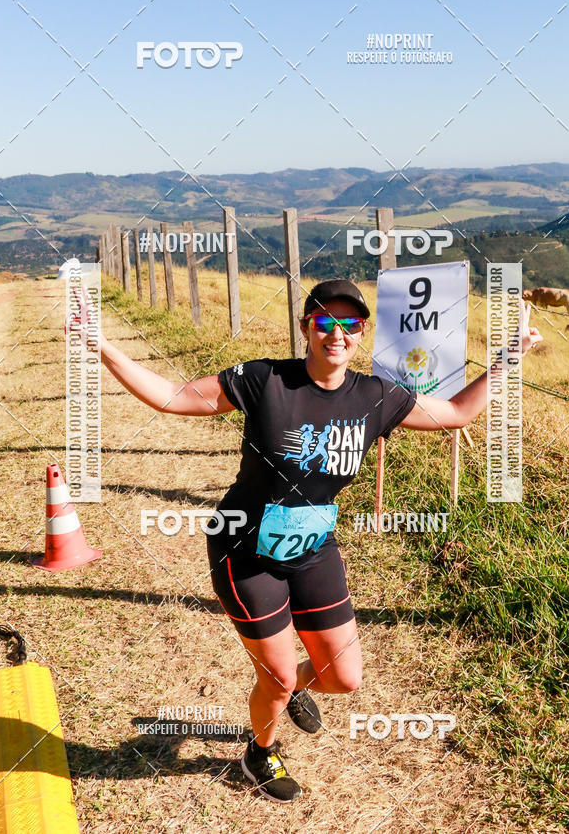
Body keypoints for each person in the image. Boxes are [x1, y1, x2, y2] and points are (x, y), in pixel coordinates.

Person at [68, 277, 542, 803]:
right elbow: (174, 398)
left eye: (350, 325)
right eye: (324, 322)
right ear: (305, 329)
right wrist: (101, 345)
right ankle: (258, 750)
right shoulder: (265, 380)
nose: (336, 334)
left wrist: (507, 361)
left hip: (313, 549)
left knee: (342, 677)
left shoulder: (375, 396)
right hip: (245, 553)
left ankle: (285, 688)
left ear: (361, 334)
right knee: (276, 681)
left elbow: (454, 413)